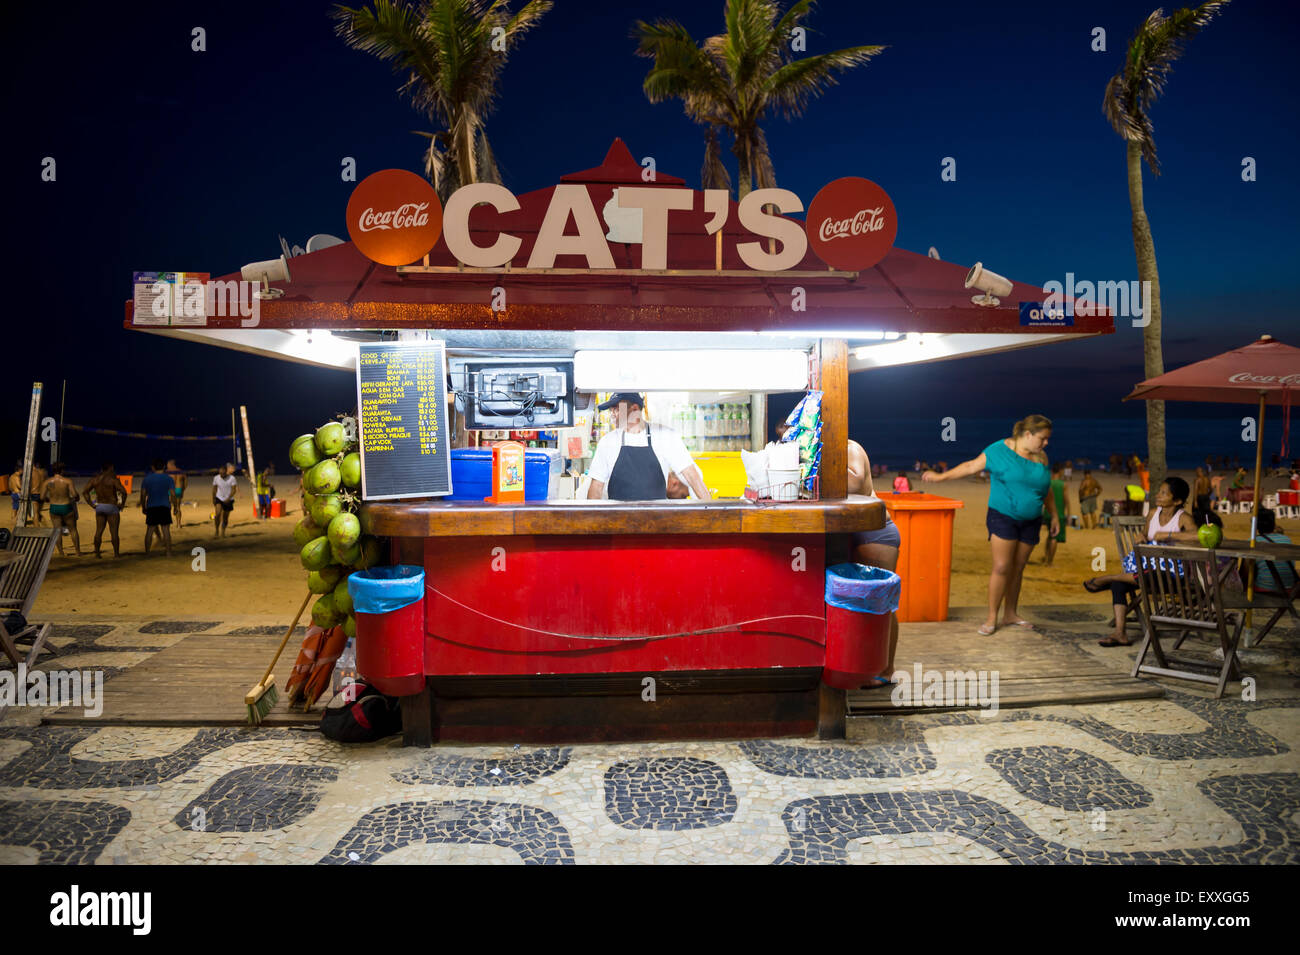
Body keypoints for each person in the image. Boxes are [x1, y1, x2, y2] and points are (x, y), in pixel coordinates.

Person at [923, 414, 1057, 635]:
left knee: (1018, 567)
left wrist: (1053, 515)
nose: (1046, 443)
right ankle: (992, 617)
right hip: (1003, 516)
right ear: (1027, 434)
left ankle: (1010, 614)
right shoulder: (998, 451)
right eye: (1043, 438)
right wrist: (940, 477)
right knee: (1003, 567)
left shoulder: (1041, 456)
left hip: (1032, 520)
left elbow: (1046, 487)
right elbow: (970, 467)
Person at [1082, 477, 1197, 646]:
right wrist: (1141, 536)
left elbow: (1197, 536)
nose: (1158, 495)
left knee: (1148, 574)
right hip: (1147, 571)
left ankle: (1106, 578)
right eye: (1159, 491)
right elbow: (1145, 534)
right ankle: (1120, 633)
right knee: (1119, 586)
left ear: (1178, 500)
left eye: (1164, 493)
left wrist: (1169, 535)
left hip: (1171, 576)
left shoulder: (1183, 518)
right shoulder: (1152, 513)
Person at [587, 393, 710, 501]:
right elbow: (596, 488)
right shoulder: (607, 442)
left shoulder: (665, 436)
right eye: (611, 411)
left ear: (635, 409)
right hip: (618, 522)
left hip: (657, 521)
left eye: (617, 410)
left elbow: (691, 475)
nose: (612, 415)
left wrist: (712, 512)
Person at [849, 439, 902, 686]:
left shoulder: (849, 448)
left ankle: (885, 670)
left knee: (881, 604)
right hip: (854, 532)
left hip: (875, 532)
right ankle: (862, 665)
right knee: (860, 605)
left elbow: (856, 482)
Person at [83, 463, 128, 558]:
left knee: (98, 531)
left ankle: (97, 554)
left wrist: (91, 504)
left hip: (100, 506)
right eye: (113, 469)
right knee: (114, 532)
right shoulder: (113, 479)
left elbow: (85, 492)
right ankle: (116, 554)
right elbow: (123, 492)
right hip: (111, 506)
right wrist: (122, 504)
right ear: (110, 469)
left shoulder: (95, 479)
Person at [41, 462, 82, 556]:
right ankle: (78, 551)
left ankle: (61, 552)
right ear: (62, 470)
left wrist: (49, 499)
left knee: (57, 530)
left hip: (54, 507)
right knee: (73, 530)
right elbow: (74, 494)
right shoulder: (67, 481)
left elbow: (42, 497)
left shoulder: (48, 482)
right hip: (66, 506)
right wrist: (76, 498)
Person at [1253, 508, 1297, 594]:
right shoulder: (1287, 539)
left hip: (1265, 587)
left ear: (1256, 526)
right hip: (1289, 588)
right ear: (1273, 524)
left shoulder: (1253, 542)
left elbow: (1246, 571)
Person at [140, 458, 174, 557]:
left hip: (152, 507)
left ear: (153, 467)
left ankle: (147, 553)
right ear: (163, 467)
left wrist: (143, 507)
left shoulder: (147, 479)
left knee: (150, 530)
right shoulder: (168, 478)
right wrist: (175, 507)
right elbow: (173, 494)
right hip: (164, 506)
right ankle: (168, 553)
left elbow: (143, 495)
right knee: (166, 530)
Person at [1042, 462, 1067, 566]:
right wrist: (1067, 513)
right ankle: (1050, 562)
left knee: (1050, 535)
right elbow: (1066, 501)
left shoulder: (1048, 483)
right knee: (1054, 537)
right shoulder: (1063, 485)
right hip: (1058, 514)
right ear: (1060, 471)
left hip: (1047, 513)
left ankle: (1046, 556)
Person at [213, 462, 238, 537]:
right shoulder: (216, 478)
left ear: (226, 471)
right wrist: (213, 498)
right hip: (219, 498)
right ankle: (216, 531)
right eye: (220, 473)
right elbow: (214, 489)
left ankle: (223, 532)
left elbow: (234, 490)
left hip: (228, 500)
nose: (221, 475)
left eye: (223, 473)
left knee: (225, 517)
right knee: (217, 514)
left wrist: (228, 498)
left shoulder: (232, 478)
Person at [166, 459, 187, 527]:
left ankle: (167, 524)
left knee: (168, 507)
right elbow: (186, 483)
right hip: (178, 489)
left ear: (170, 464)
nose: (167, 466)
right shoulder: (181, 471)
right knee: (178, 507)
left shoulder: (167, 472)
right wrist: (183, 490)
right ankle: (178, 524)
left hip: (170, 490)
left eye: (167, 465)